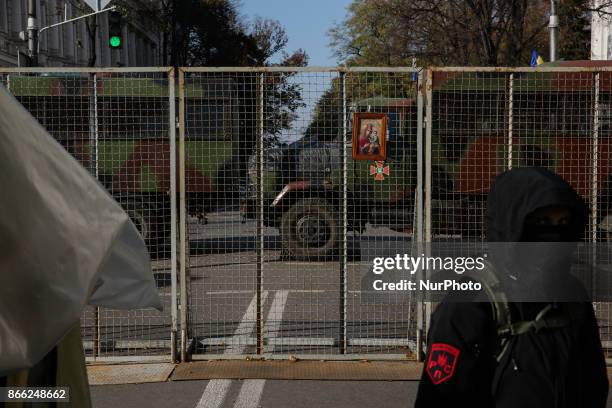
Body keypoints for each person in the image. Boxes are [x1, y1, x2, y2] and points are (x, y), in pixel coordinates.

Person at [414, 167, 609, 408]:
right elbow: (439, 398)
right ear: (513, 224)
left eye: (564, 223)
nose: (554, 235)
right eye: (542, 222)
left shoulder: (571, 294)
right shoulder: (469, 303)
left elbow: (594, 383)